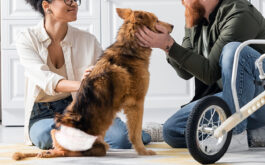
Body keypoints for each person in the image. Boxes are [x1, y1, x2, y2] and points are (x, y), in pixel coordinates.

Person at [16, 0, 151, 150]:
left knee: (122, 139)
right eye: (68, 0)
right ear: (46, 5)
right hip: (44, 113)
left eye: (76, 0)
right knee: (45, 137)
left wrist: (97, 75)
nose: (74, 4)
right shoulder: (27, 38)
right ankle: (86, 134)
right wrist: (84, 85)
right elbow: (46, 80)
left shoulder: (88, 40)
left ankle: (145, 132)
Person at [136, 0, 265, 148]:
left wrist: (169, 45)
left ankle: (236, 133)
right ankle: (254, 134)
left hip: (258, 97)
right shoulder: (195, 15)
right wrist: (167, 48)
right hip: (229, 97)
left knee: (233, 50)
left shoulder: (240, 14)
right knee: (171, 131)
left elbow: (210, 73)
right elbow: (185, 72)